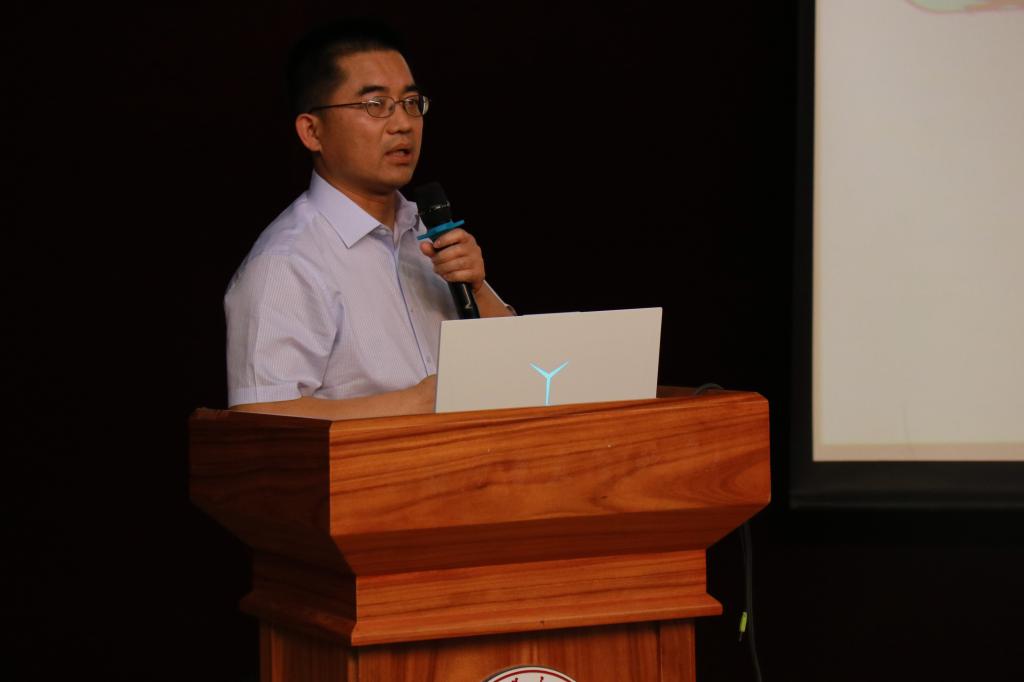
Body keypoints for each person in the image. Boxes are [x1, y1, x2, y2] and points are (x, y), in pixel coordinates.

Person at [225, 19, 513, 419]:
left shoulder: (427, 232)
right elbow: (261, 417)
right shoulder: (286, 263)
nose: (403, 124)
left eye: (411, 102)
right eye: (375, 105)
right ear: (312, 132)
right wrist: (416, 404)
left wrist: (477, 289)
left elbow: (523, 372)